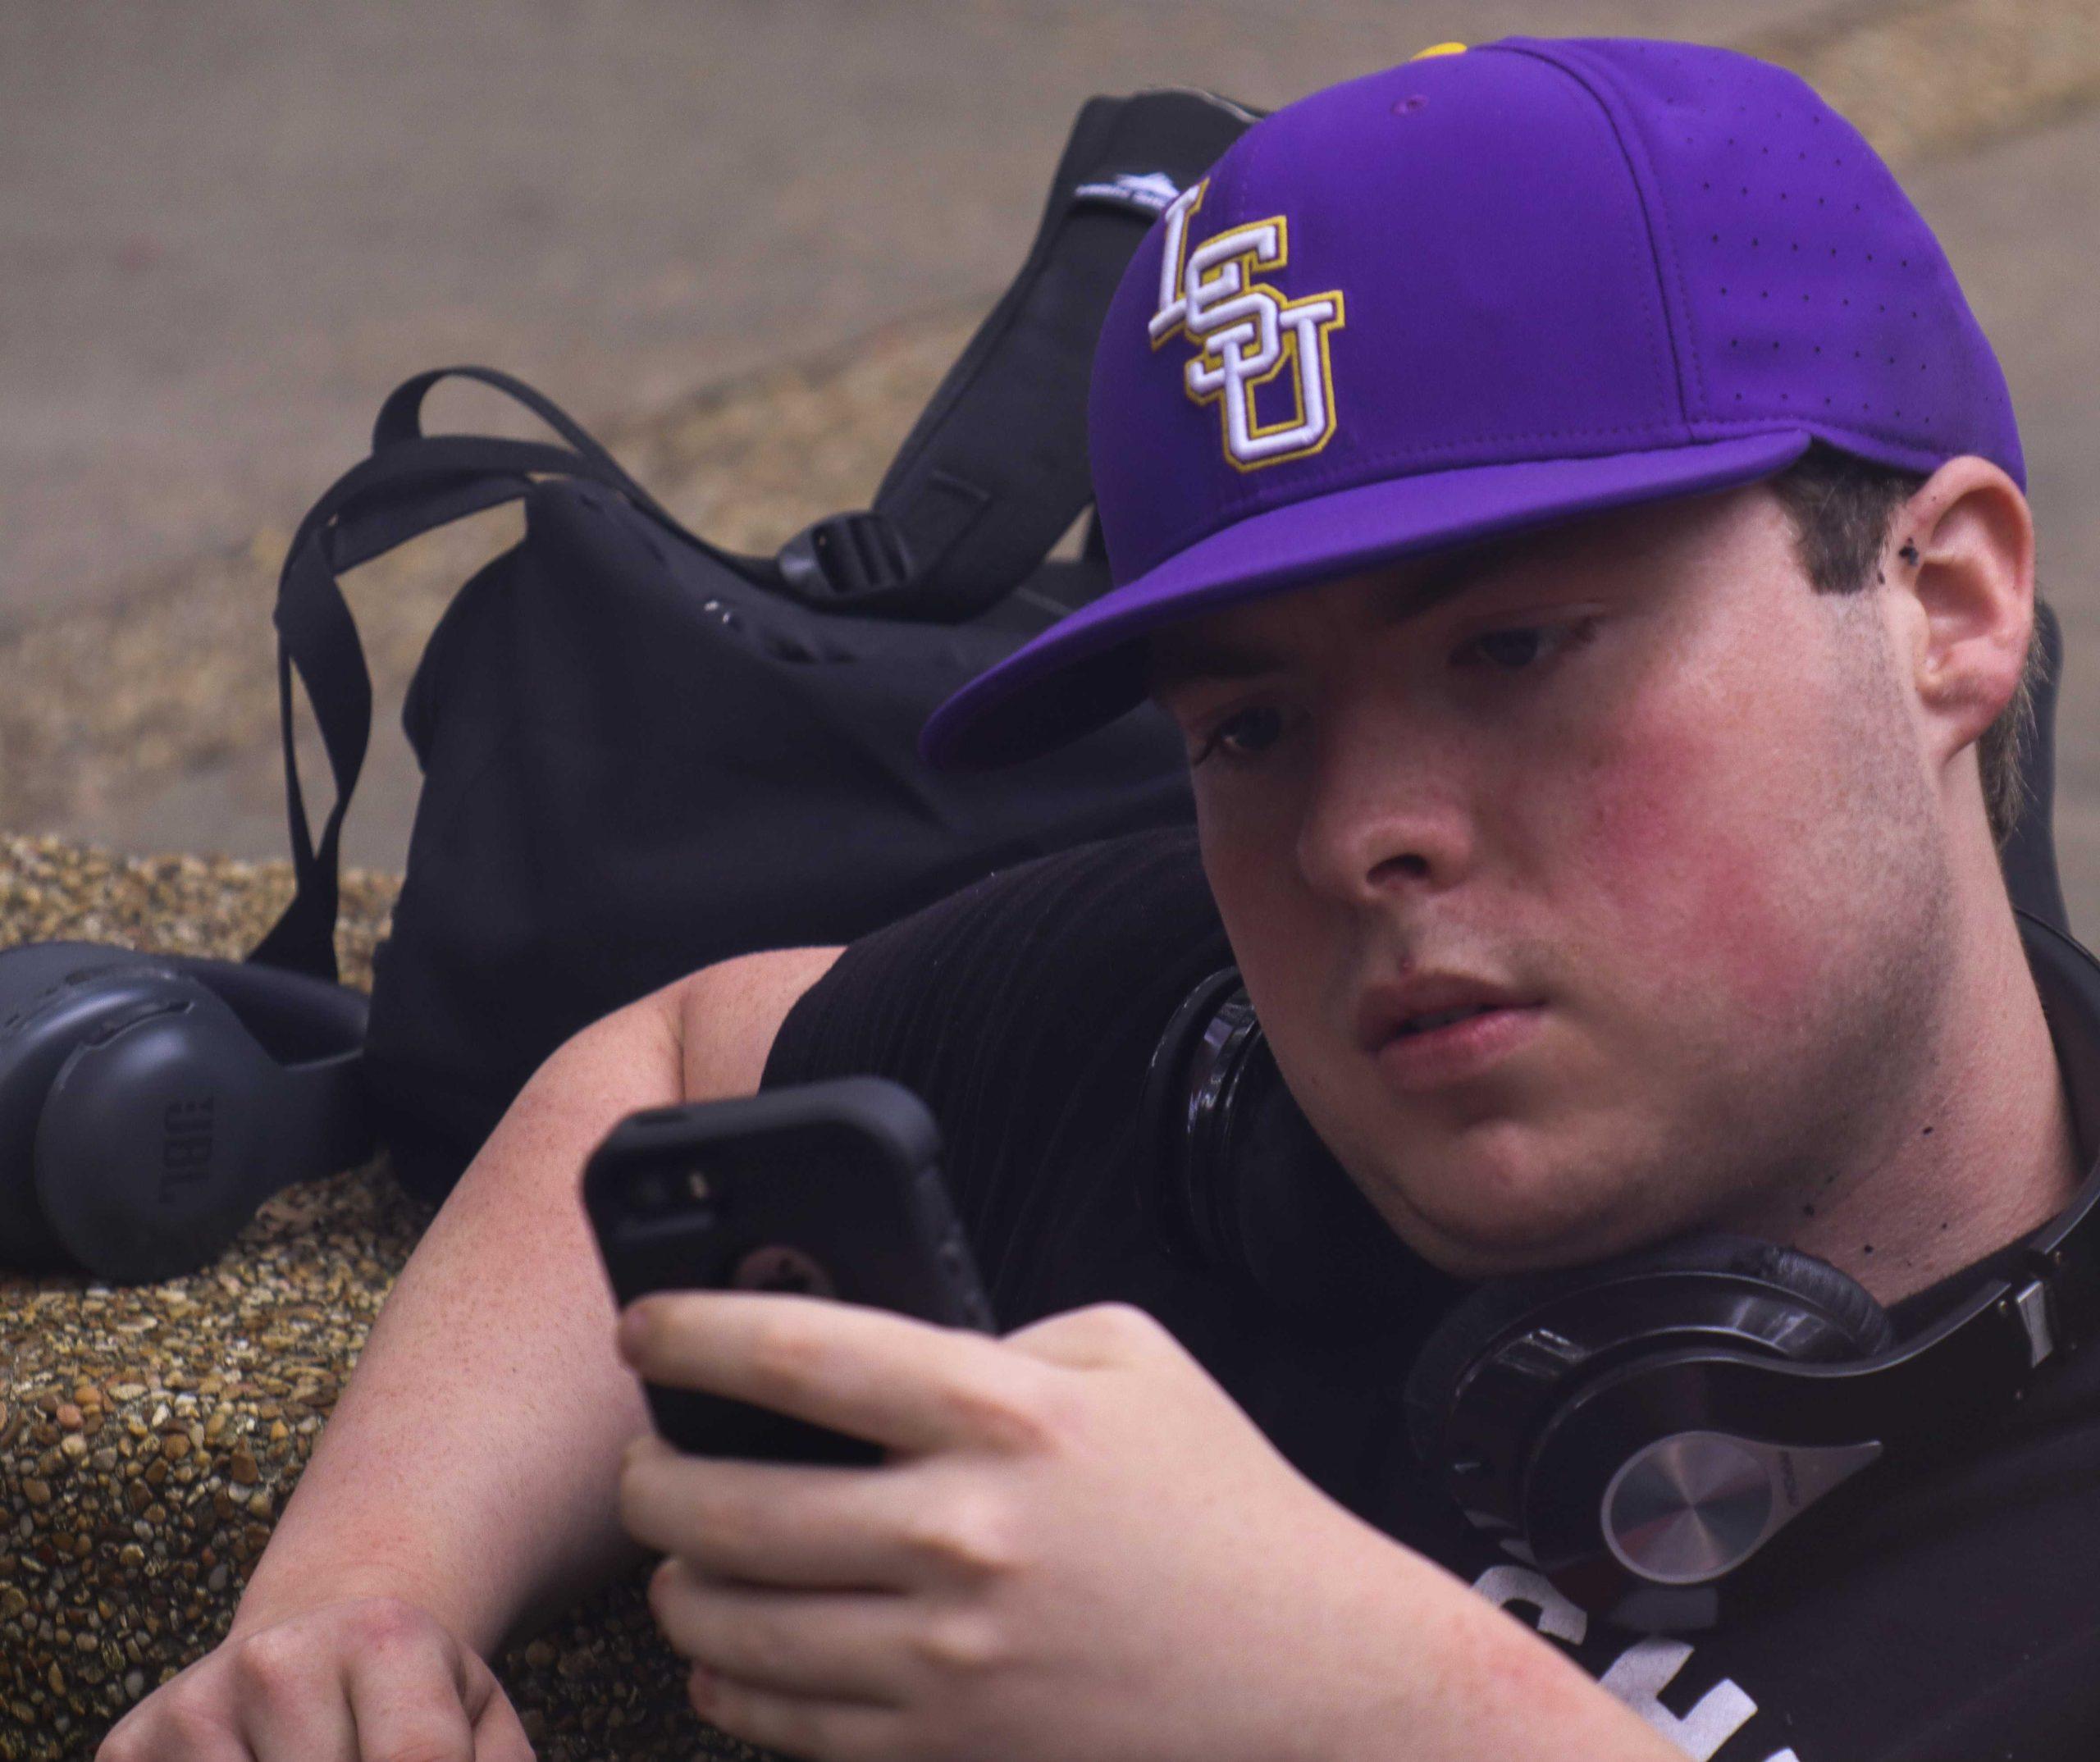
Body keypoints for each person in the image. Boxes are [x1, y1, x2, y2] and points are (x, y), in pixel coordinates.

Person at [101, 34, 2100, 1762]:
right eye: (1247, 728)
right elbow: (671, 1068)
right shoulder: (1196, 1066)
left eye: (1513, 652)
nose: (1356, 838)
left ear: (1941, 606)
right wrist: (358, 1609)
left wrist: (1400, 1712)